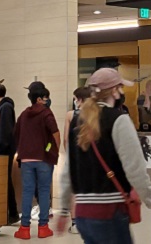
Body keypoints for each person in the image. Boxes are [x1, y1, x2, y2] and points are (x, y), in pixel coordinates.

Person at [55, 68, 151, 243]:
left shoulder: (77, 122)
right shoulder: (119, 120)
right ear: (114, 91)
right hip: (110, 212)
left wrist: (64, 209)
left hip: (83, 214)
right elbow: (135, 170)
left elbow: (68, 172)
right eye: (120, 87)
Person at [13, 81, 59, 240]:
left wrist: (22, 151)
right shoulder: (46, 113)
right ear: (39, 99)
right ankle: (43, 227)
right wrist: (53, 150)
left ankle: (24, 228)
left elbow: (16, 135)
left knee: (27, 192)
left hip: (26, 159)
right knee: (44, 191)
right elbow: (55, 133)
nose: (47, 100)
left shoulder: (23, 114)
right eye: (45, 98)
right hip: (43, 159)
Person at [0, 83, 20, 225]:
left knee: (6, 181)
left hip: (5, 151)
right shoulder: (0, 108)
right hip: (2, 150)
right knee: (4, 181)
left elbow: (6, 132)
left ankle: (13, 213)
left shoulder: (5, 108)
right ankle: (8, 213)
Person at [64, 86, 93, 235]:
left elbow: (65, 140)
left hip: (75, 158)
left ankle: (75, 223)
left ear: (80, 100)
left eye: (75, 99)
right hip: (90, 158)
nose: (75, 102)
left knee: (74, 191)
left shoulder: (70, 115)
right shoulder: (94, 115)